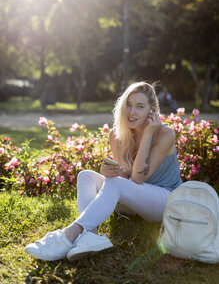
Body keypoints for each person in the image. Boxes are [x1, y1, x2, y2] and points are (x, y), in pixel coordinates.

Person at [25, 81, 182, 262]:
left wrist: (147, 134)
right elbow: (124, 178)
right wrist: (108, 172)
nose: (132, 112)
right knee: (86, 176)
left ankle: (70, 234)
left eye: (140, 107)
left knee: (116, 184)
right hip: (136, 199)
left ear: (152, 110)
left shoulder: (164, 134)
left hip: (164, 201)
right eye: (128, 105)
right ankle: (91, 235)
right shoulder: (118, 135)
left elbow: (138, 178)